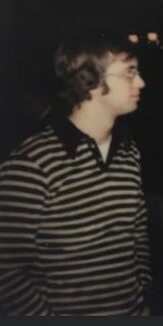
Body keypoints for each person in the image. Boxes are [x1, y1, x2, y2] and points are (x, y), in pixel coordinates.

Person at [0, 33, 152, 315]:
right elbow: (6, 268)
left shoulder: (129, 153)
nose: (141, 82)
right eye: (130, 72)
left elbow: (137, 235)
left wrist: (143, 298)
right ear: (90, 81)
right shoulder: (34, 162)